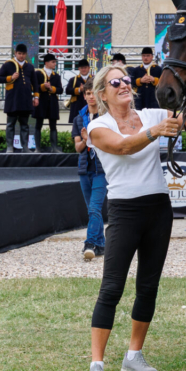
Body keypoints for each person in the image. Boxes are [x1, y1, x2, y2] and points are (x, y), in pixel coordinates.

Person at [83, 65, 184, 371]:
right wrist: (158, 131)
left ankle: (134, 355)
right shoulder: (98, 126)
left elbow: (183, 118)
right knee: (111, 287)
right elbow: (125, 146)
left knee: (148, 286)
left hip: (158, 208)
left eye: (126, 79)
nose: (125, 84)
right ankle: (96, 365)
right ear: (103, 93)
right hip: (125, 210)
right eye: (117, 81)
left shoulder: (152, 113)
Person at [72, 80, 106, 261]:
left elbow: (109, 143)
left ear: (100, 94)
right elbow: (78, 147)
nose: (91, 97)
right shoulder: (79, 118)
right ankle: (101, 245)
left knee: (94, 208)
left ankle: (90, 243)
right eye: (87, 94)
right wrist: (86, 140)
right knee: (92, 210)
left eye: (93, 93)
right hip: (85, 169)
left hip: (102, 169)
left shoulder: (107, 116)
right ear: (84, 96)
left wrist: (91, 138)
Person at [0, 43, 38, 153]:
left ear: (26, 54)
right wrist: (10, 78)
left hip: (26, 99)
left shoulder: (30, 67)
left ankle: (25, 147)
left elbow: (35, 83)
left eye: (23, 54)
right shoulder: (8, 65)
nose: (21, 56)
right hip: (12, 99)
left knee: (24, 125)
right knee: (10, 124)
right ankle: (10, 147)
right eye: (19, 53)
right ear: (15, 53)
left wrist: (36, 97)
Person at [34, 53, 63, 153]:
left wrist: (51, 88)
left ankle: (54, 148)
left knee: (53, 125)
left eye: (55, 62)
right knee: (38, 124)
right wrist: (43, 86)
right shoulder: (38, 73)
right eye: (53, 62)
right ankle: (37, 148)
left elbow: (60, 90)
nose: (55, 64)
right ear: (46, 63)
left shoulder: (56, 76)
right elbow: (34, 87)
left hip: (53, 103)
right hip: (41, 102)